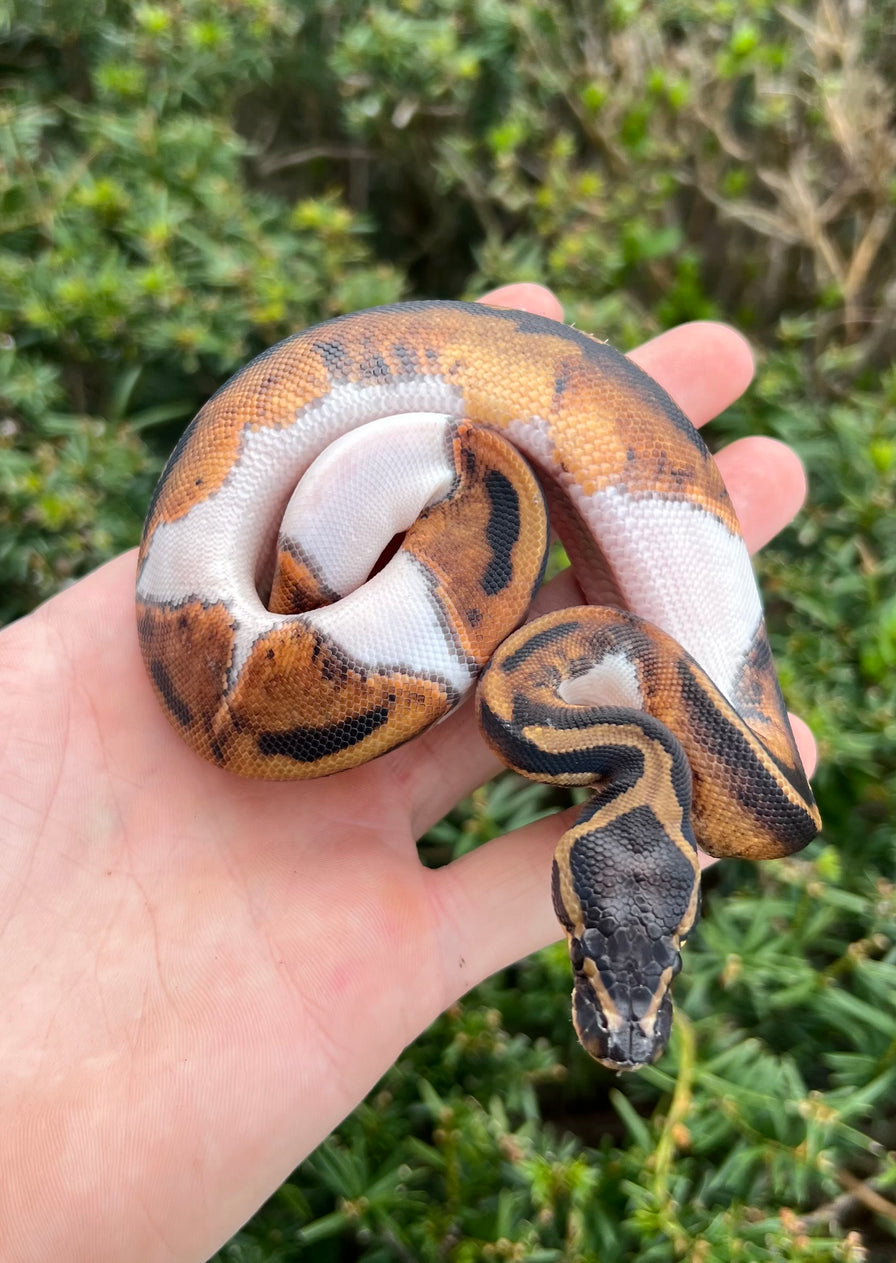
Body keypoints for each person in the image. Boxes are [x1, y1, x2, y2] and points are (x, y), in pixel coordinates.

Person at [0, 283, 817, 1263]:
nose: (613, 988)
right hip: (402, 499)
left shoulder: (593, 706)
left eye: (592, 954)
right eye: (611, 953)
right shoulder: (597, 715)